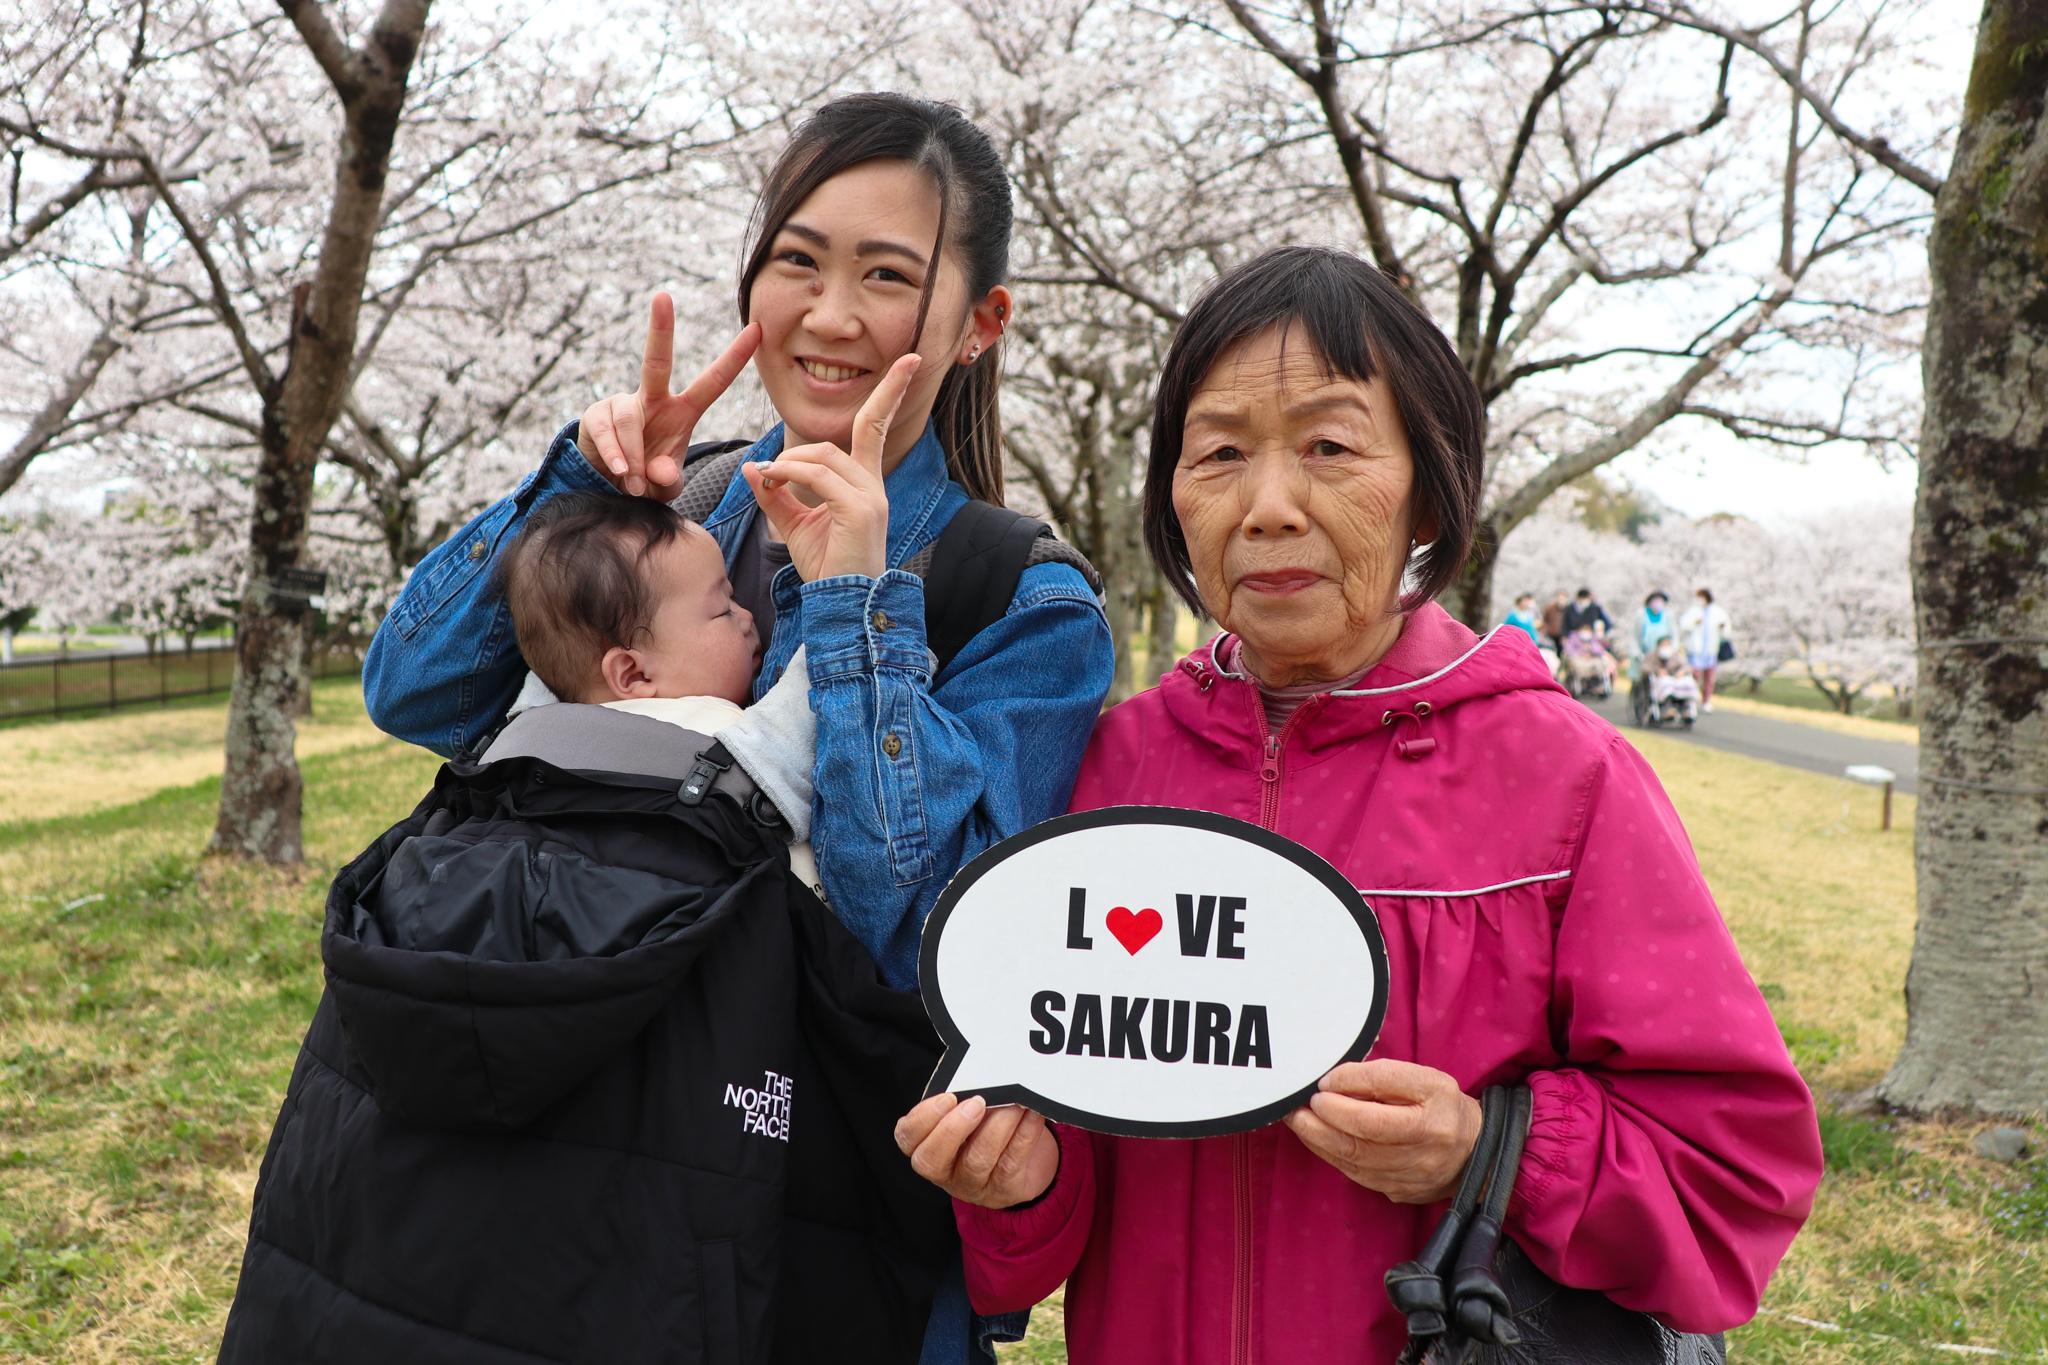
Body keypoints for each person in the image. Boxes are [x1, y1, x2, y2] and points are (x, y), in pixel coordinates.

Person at [895, 246, 1820, 1363]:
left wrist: (1487, 1153)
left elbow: (1731, 1179)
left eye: (1329, 448)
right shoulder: (1111, 772)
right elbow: (1057, 1198)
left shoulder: (1562, 777)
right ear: (1171, 497)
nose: (1269, 506)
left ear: (1425, 484)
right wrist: (1020, 1183)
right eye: (1220, 453)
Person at [360, 92, 1117, 1364]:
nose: (828, 318)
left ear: (979, 322)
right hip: (578, 1173)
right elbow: (419, 696)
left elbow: (932, 938)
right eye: (797, 263)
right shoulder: (684, 505)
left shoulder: (1023, 599)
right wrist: (577, 496)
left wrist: (857, 603)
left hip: (817, 1227)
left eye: (886, 276)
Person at [220, 483, 958, 1364]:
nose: (753, 623)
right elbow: (820, 690)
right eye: (725, 609)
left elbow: (554, 650)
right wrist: (853, 590)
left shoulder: (514, 746)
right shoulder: (732, 753)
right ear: (633, 673)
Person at [1682, 586, 1733, 712]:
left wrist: (1722, 628)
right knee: (1694, 675)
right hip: (1695, 650)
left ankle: (1706, 701)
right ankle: (1690, 700)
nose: (1701, 600)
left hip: (1711, 650)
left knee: (1709, 678)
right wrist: (1694, 623)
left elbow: (1726, 632)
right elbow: (1684, 625)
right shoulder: (1693, 611)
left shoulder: (1718, 612)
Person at [1539, 588, 1569, 656]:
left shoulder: (1568, 609)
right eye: (1559, 598)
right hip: (1551, 634)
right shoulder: (1550, 608)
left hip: (1563, 635)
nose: (1561, 600)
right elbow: (1545, 620)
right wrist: (1543, 632)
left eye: (1563, 598)